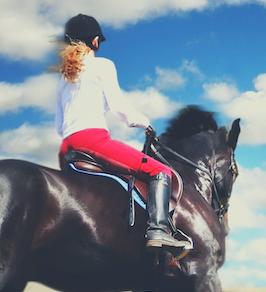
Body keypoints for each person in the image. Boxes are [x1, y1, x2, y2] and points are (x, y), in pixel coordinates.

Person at [54, 14, 190, 257]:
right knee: (160, 171)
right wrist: (145, 123)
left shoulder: (63, 80)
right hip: (92, 140)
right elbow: (119, 107)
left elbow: (58, 125)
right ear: (95, 41)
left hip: (66, 149)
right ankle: (158, 230)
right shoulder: (102, 65)